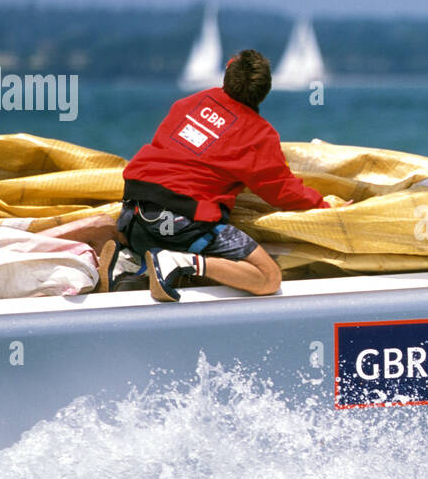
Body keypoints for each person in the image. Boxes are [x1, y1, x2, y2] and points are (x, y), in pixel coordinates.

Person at [100, 49, 330, 301]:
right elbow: (282, 192)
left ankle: (127, 263)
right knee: (268, 278)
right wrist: (324, 206)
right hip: (181, 221)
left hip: (133, 212)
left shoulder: (188, 104)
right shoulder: (259, 135)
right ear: (264, 92)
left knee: (155, 231)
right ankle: (177, 261)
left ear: (226, 75)